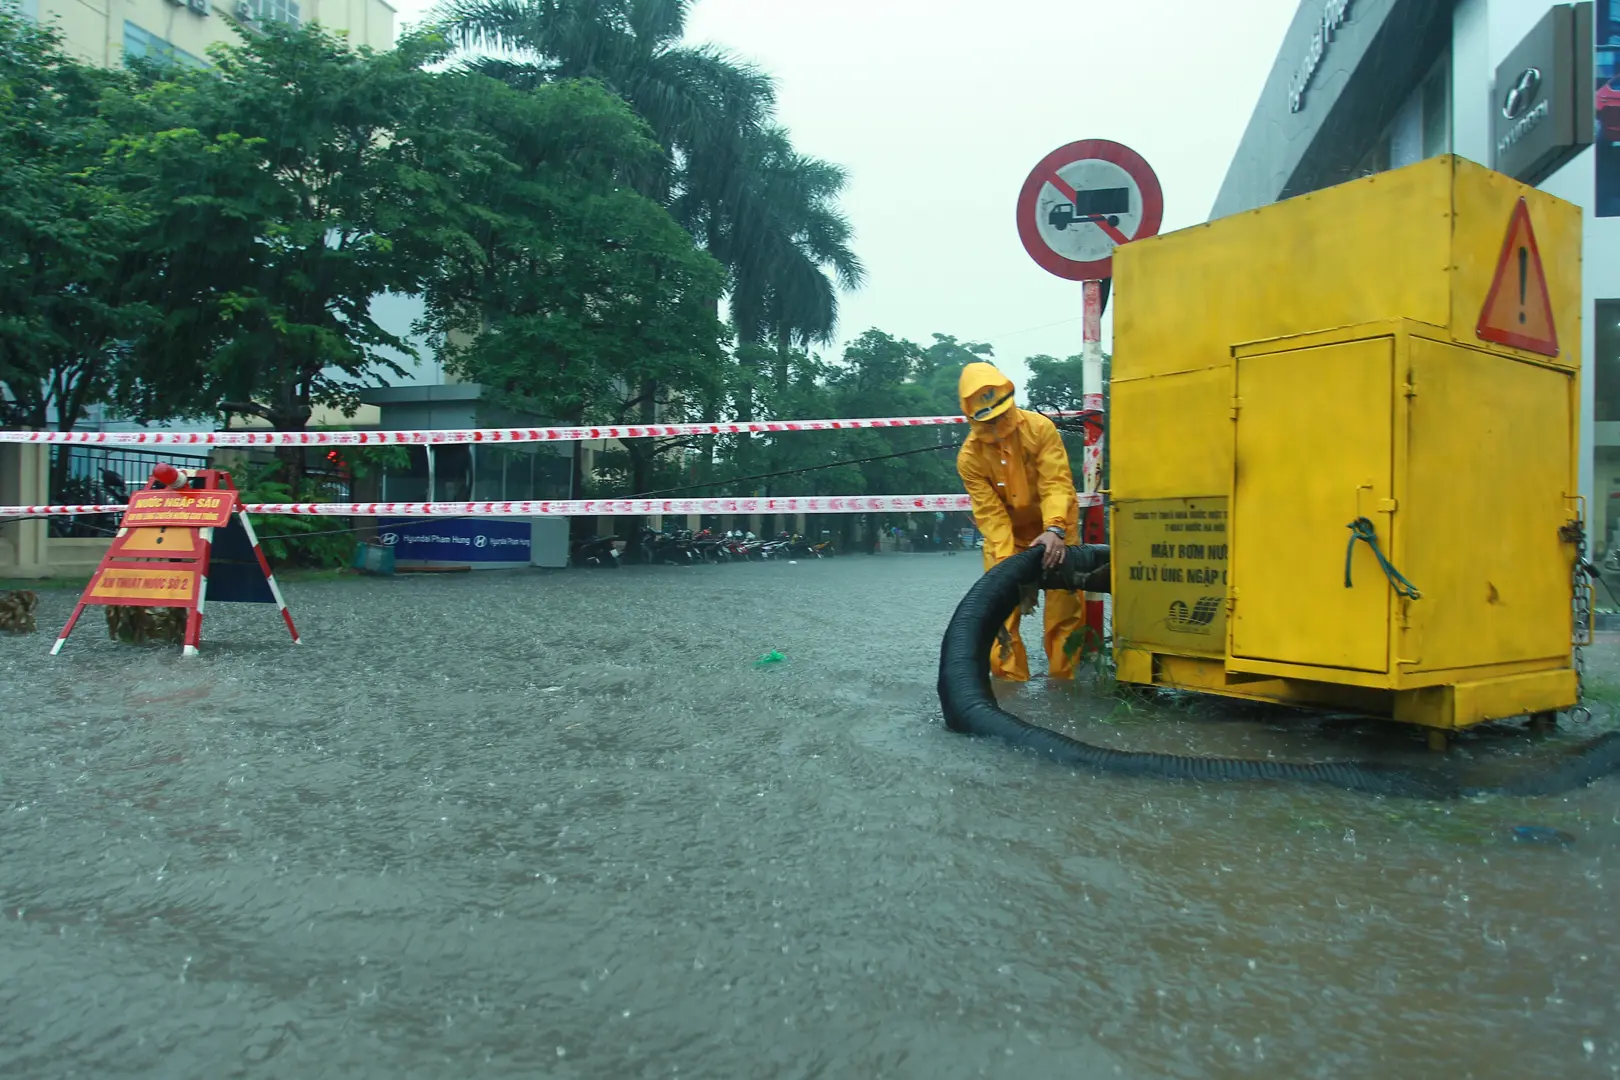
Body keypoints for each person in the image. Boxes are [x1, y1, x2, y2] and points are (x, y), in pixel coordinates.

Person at [956, 361, 1084, 682]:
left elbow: (1056, 482)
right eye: (988, 417)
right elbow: (990, 514)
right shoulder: (970, 458)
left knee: (1064, 616)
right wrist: (1008, 562)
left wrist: (1055, 528)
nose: (997, 422)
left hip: (1056, 534)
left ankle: (1064, 685)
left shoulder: (1040, 429)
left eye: (1000, 412)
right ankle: (1011, 693)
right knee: (1001, 620)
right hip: (1007, 540)